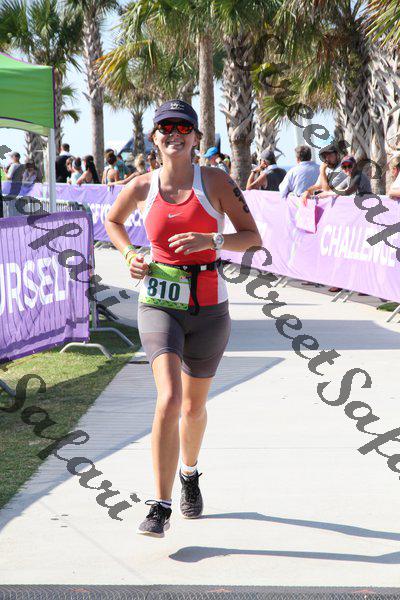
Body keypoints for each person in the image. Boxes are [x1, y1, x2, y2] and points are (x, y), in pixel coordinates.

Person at [104, 98, 261, 538]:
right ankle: (159, 505)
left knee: (193, 407)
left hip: (209, 307)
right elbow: (113, 222)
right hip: (158, 303)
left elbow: (253, 238)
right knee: (169, 398)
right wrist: (131, 254)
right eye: (165, 128)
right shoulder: (141, 186)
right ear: (154, 138)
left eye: (182, 128)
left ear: (195, 137)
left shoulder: (216, 181)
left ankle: (189, 473)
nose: (174, 134)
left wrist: (213, 240)